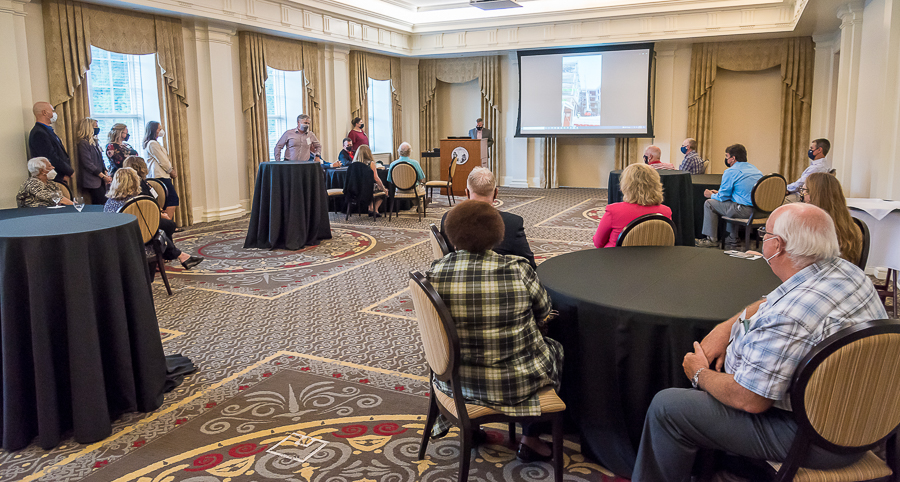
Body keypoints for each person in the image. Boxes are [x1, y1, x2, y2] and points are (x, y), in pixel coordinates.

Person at [632, 203, 887, 482]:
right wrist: (727, 327)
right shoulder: (848, 272)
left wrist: (698, 373)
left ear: (777, 246)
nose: (762, 237)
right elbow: (772, 300)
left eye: (765, 233)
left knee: (667, 407)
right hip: (871, 415)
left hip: (817, 439)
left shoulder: (789, 316)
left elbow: (750, 399)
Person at [428, 199, 563, 463]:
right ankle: (530, 438)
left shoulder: (436, 272)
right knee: (555, 348)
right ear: (498, 234)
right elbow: (544, 310)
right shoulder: (518, 269)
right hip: (515, 385)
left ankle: (472, 428)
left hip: (455, 382)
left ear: (452, 235)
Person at [104, 168, 203, 270]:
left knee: (158, 230)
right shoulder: (136, 202)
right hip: (136, 241)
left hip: (116, 241)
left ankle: (181, 256)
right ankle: (178, 256)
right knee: (158, 232)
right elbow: (147, 223)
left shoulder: (109, 202)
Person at [439, 167, 537, 269]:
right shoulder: (512, 223)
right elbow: (529, 265)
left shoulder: (448, 218)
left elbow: (448, 258)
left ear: (467, 192)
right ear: (496, 193)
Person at [695, 144, 763, 249]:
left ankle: (711, 240)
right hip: (761, 211)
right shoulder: (756, 170)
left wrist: (711, 195)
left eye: (727, 156)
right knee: (732, 203)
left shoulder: (731, 171)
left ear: (733, 158)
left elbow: (722, 197)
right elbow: (740, 193)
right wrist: (719, 193)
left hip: (745, 211)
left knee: (709, 203)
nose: (726, 159)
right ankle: (732, 238)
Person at [593, 163, 673, 248]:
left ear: (626, 186)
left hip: (617, 259)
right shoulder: (666, 211)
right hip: (653, 259)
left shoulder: (614, 211)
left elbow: (598, 243)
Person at [804, 172, 862, 264]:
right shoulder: (853, 227)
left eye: (806, 190)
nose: (803, 194)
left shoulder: (811, 227)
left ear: (816, 195)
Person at [124, 156, 178, 241]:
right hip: (145, 217)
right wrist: (161, 215)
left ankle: (172, 251)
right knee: (169, 224)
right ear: (141, 167)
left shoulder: (141, 182)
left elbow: (152, 200)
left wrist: (161, 211)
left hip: (143, 215)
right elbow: (145, 205)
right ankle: (171, 252)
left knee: (167, 223)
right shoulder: (139, 185)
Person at [28, 102, 74, 187]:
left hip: (60, 177)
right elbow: (50, 157)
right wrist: (67, 172)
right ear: (44, 112)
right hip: (54, 178)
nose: (54, 113)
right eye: (52, 111)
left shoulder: (47, 130)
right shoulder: (39, 133)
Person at [143, 121, 181, 220]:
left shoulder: (153, 143)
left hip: (160, 175)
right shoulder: (152, 144)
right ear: (153, 130)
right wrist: (170, 171)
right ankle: (167, 223)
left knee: (167, 200)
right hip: (160, 175)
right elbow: (163, 160)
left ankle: (167, 223)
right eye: (159, 129)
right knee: (172, 199)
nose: (161, 131)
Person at [75, 117, 112, 205]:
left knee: (105, 202)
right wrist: (102, 176)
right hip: (92, 180)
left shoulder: (94, 142)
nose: (97, 129)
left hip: (100, 179)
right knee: (100, 203)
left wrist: (105, 172)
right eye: (95, 127)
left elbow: (100, 159)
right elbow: (87, 163)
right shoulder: (83, 143)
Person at [784, 138, 831, 203]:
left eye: (812, 148)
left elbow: (800, 184)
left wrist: (784, 188)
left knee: (778, 201)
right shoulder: (823, 165)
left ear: (819, 150)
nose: (810, 150)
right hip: (807, 194)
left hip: (804, 196)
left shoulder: (817, 168)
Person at [352, 145, 388, 216]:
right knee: (383, 190)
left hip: (356, 189)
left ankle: (371, 207)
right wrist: (383, 188)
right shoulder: (371, 163)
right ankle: (375, 209)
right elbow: (376, 178)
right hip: (367, 190)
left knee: (374, 187)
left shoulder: (353, 164)